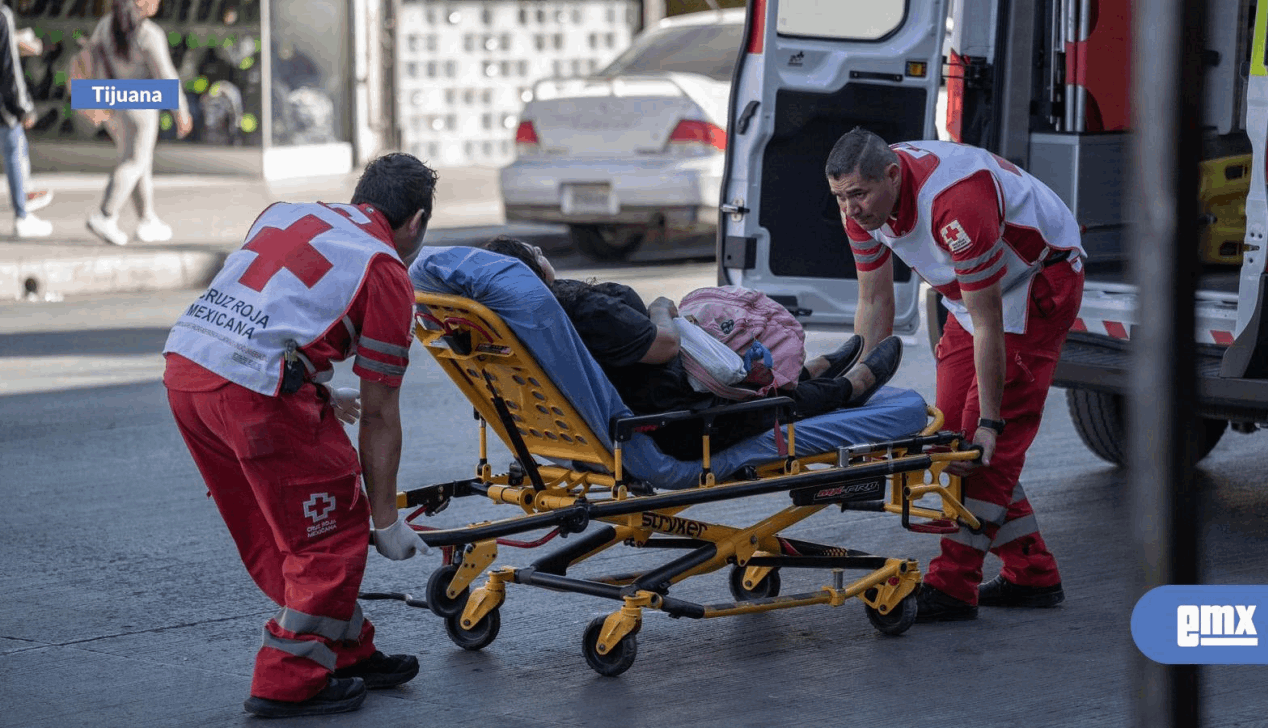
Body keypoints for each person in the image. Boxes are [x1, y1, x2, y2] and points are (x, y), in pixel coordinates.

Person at [162, 153, 438, 718]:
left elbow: (268, 314)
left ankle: (342, 650)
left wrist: (315, 387)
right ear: (415, 222)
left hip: (187, 371)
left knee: (278, 529)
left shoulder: (285, 213)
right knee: (329, 532)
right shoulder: (385, 269)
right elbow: (382, 412)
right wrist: (384, 519)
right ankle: (286, 680)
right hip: (251, 397)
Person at [825, 128, 1085, 622]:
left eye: (857, 194)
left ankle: (952, 585)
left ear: (892, 175)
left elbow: (991, 323)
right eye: (840, 197)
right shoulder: (862, 205)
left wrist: (990, 423)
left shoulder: (954, 203)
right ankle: (1032, 574)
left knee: (976, 448)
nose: (850, 209)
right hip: (971, 296)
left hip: (1034, 283)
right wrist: (856, 389)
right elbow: (875, 301)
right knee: (947, 441)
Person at [481, 235, 904, 461]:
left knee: (733, 365)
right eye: (536, 253)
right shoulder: (579, 309)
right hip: (671, 426)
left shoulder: (507, 325)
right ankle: (849, 388)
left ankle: (812, 371)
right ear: (530, 270)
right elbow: (664, 347)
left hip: (621, 415)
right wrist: (661, 307)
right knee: (765, 404)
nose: (542, 253)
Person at [83, 0, 193, 247]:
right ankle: (105, 214)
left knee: (139, 163)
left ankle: (147, 220)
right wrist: (181, 112)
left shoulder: (105, 26)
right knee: (134, 163)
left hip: (113, 102)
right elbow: (166, 76)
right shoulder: (149, 34)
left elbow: (94, 62)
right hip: (141, 105)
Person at [0, 4, 51, 237]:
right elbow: (10, 69)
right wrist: (23, 107)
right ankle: (22, 215)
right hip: (3, 108)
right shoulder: (3, 15)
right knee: (15, 151)